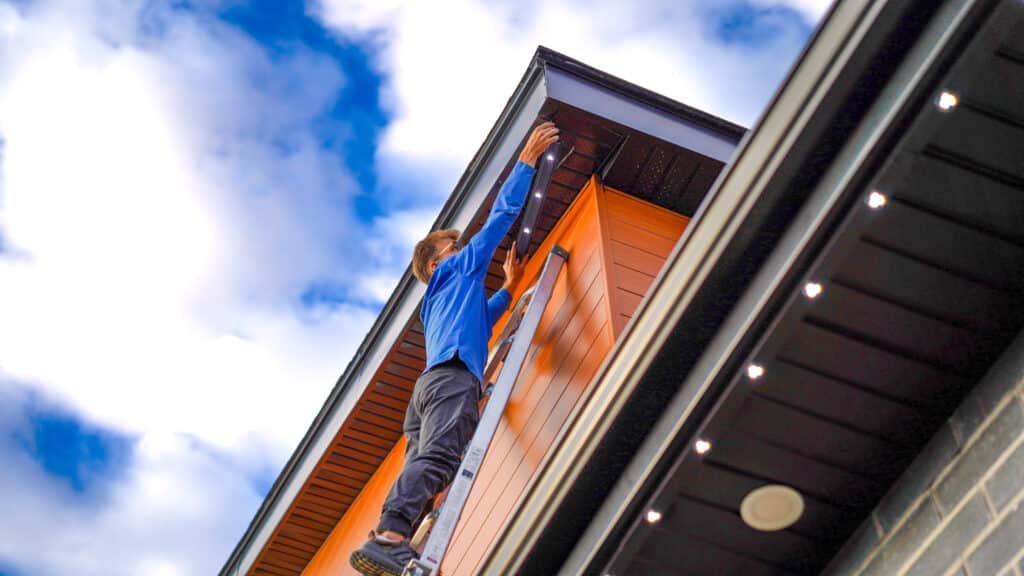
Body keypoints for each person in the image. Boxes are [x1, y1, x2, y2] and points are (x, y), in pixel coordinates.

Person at [349, 121, 560, 576]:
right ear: (436, 260)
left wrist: (508, 290)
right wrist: (524, 164)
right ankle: (389, 537)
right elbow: (499, 221)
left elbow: (481, 325)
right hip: (450, 380)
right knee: (441, 459)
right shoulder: (455, 270)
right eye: (455, 245)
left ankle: (390, 536)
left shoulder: (443, 300)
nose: (464, 248)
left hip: (429, 387)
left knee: (426, 465)